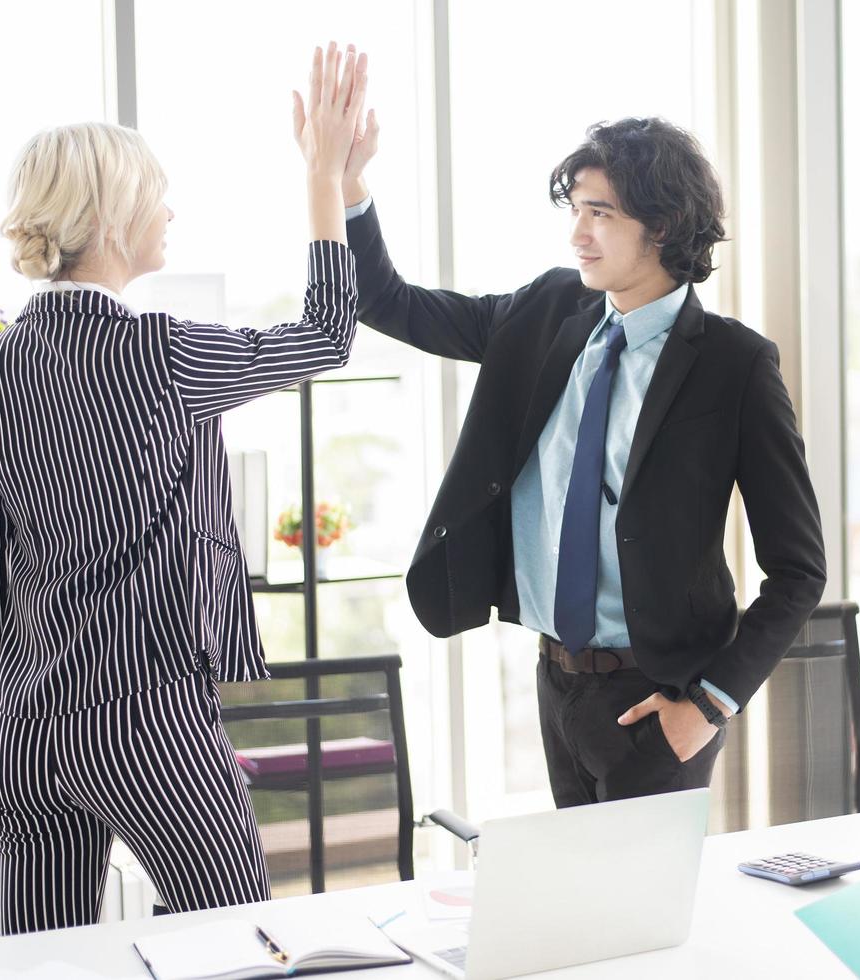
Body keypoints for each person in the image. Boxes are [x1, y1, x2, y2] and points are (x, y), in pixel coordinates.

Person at [0, 43, 370, 934]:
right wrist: (324, 179)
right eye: (158, 194)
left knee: (48, 964)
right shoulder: (162, 351)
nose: (171, 210)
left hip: (29, 729)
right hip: (148, 718)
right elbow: (327, 336)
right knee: (239, 943)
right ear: (111, 217)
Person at [339, 116, 826, 806]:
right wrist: (350, 186)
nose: (578, 234)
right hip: (555, 679)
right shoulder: (546, 312)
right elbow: (393, 304)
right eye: (576, 211)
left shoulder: (735, 367)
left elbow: (800, 570)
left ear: (662, 225)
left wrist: (709, 706)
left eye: (600, 213)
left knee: (644, 911)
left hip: (660, 695)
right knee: (584, 907)